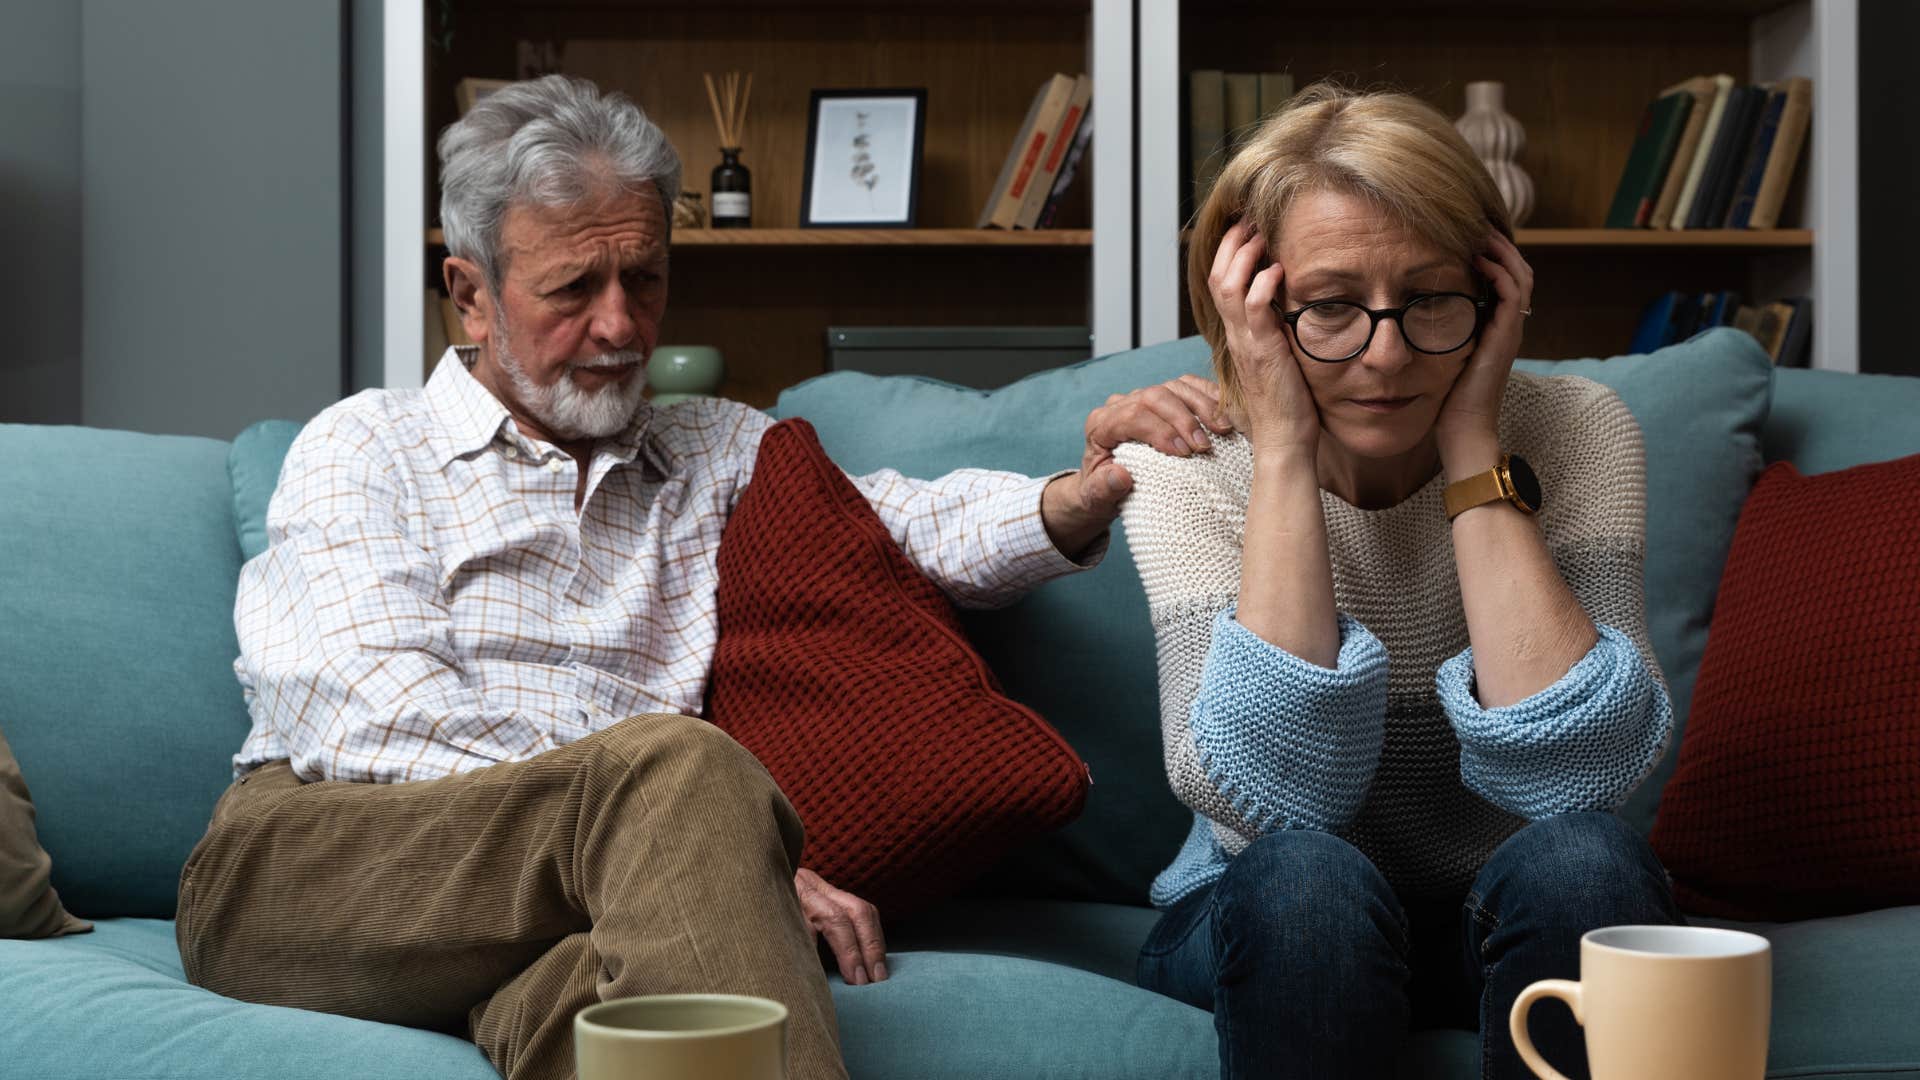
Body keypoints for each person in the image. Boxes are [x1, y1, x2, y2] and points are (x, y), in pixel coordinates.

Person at [172, 75, 1227, 1080]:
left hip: (591, 901)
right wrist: (717, 852)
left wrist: (1076, 495)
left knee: (617, 1007)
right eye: (573, 289)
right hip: (321, 861)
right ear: (470, 295)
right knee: (690, 772)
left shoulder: (712, 448)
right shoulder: (367, 446)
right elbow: (377, 721)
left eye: (645, 277)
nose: (622, 326)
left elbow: (900, 522)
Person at [1113, 83, 1681, 1080]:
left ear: (1494, 290)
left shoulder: (1582, 429)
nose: (1385, 354)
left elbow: (1582, 774)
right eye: (1330, 307)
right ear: (1250, 302)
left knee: (1588, 860)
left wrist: (1473, 444)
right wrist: (1283, 452)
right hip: (1268, 909)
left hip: (1499, 914)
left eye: (1429, 300)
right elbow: (1268, 796)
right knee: (1306, 879)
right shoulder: (1181, 466)